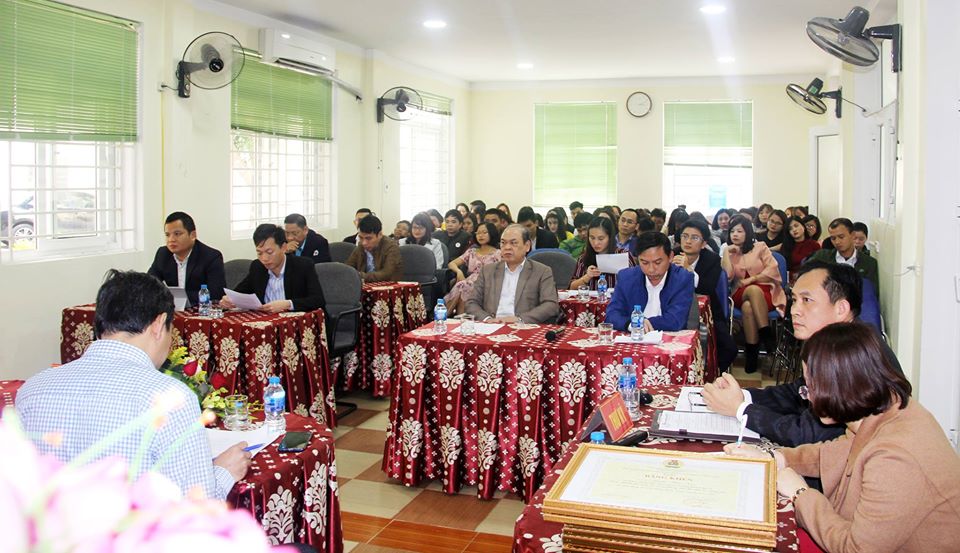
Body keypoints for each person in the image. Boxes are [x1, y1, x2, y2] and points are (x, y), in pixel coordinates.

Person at [724, 323, 960, 553]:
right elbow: (833, 453)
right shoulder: (883, 410)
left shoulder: (895, 458)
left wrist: (800, 494)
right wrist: (775, 457)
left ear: (838, 388)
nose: (807, 398)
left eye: (810, 388)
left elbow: (856, 548)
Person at [17, 270, 251, 500]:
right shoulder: (170, 399)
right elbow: (195, 506)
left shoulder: (33, 388)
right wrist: (224, 472)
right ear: (159, 324)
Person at [703, 261, 902, 447]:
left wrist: (741, 409)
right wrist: (743, 395)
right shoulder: (834, 342)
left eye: (807, 300)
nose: (794, 310)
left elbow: (807, 434)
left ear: (841, 308)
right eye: (794, 300)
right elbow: (796, 392)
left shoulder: (854, 356)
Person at [721, 215, 785, 373]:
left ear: (748, 232)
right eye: (732, 231)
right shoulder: (728, 250)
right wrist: (727, 252)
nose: (735, 235)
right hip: (739, 292)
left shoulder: (760, 247)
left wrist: (752, 279)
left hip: (766, 290)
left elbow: (772, 269)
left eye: (739, 231)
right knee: (752, 291)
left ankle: (752, 354)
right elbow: (727, 276)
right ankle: (765, 333)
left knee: (748, 307)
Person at [673, 219, 737, 371]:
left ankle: (712, 374)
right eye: (684, 236)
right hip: (675, 310)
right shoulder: (671, 255)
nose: (688, 241)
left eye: (694, 238)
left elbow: (707, 288)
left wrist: (689, 270)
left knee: (729, 348)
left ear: (703, 244)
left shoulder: (712, 259)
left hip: (709, 313)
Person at [464, 224, 559, 323]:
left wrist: (520, 319)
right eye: (503, 243)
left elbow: (551, 305)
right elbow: (471, 302)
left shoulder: (542, 271)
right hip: (491, 325)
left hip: (522, 326)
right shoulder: (487, 271)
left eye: (513, 243)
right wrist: (488, 319)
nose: (507, 247)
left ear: (527, 246)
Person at [220, 224, 325, 313]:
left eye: (269, 252)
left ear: (283, 247)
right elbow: (239, 293)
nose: (264, 258)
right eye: (259, 253)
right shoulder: (257, 267)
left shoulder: (303, 266)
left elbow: (318, 300)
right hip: (268, 324)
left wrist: (288, 304)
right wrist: (228, 300)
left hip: (297, 324)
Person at [606, 231, 694, 332]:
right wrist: (631, 324)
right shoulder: (626, 277)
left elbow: (676, 320)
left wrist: (644, 323)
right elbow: (612, 315)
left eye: (657, 262)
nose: (651, 269)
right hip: (633, 337)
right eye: (644, 263)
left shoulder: (683, 279)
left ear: (670, 257)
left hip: (667, 338)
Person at [147, 211, 226, 306]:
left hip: (200, 310)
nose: (171, 239)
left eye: (177, 234)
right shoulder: (163, 254)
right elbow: (149, 284)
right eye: (167, 235)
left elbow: (216, 294)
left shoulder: (211, 257)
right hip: (173, 309)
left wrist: (172, 297)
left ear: (193, 235)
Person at [807, 217, 880, 296]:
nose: (837, 242)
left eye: (841, 237)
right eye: (833, 238)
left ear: (852, 235)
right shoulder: (822, 257)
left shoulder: (869, 263)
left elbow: (871, 294)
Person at [445, 222, 501, 315]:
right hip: (470, 281)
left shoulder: (498, 253)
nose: (480, 235)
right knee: (463, 285)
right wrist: (459, 271)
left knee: (463, 285)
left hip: (487, 283)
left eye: (484, 232)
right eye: (478, 233)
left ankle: (447, 316)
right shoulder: (472, 252)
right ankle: (458, 316)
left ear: (491, 233)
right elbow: (452, 264)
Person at [569, 217, 636, 291]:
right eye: (592, 238)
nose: (596, 243)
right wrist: (587, 277)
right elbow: (572, 288)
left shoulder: (623, 255)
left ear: (610, 237)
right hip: (591, 298)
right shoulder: (583, 258)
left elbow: (637, 283)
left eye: (601, 239)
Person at [346, 215, 403, 282]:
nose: (364, 243)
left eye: (368, 238)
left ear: (380, 235)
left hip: (387, 286)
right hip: (363, 286)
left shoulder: (391, 247)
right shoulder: (361, 246)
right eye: (361, 238)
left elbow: (386, 274)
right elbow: (347, 268)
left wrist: (359, 275)